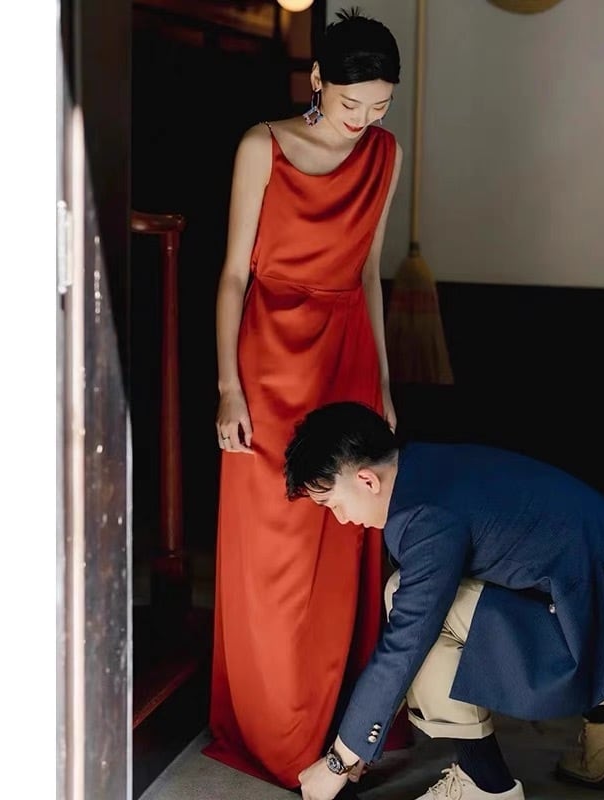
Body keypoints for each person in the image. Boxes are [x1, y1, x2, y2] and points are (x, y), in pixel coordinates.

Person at [204, 9, 408, 790]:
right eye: (352, 102)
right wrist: (228, 386)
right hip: (268, 363)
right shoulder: (261, 145)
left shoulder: (385, 153)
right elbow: (233, 274)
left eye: (381, 105)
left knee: (340, 544)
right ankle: (274, 727)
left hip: (347, 359)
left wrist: (382, 380)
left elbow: (368, 274)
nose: (365, 120)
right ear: (318, 79)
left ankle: (339, 729)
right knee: (273, 551)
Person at [283, 402, 604, 800]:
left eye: (334, 504)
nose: (342, 519)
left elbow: (406, 642)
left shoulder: (425, 516)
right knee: (426, 601)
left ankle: (485, 784)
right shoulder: (427, 464)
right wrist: (363, 739)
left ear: (366, 480)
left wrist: (339, 760)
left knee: (410, 604)